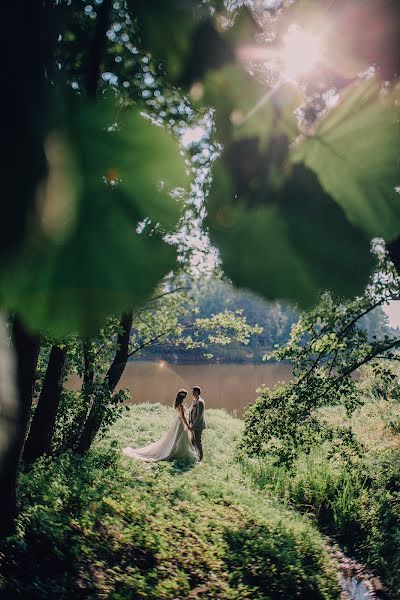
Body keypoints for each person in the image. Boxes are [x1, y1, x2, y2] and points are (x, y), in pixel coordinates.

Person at [122, 389, 198, 463]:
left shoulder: (177, 403)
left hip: (177, 421)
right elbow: (183, 417)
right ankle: (176, 452)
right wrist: (188, 426)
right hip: (180, 422)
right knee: (179, 437)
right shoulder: (181, 405)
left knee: (175, 437)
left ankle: (175, 450)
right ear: (184, 397)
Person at [188, 386, 206, 461]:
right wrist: (189, 421)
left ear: (198, 392)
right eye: (192, 391)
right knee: (192, 440)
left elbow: (199, 416)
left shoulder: (200, 402)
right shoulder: (194, 400)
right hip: (193, 424)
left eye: (194, 391)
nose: (193, 393)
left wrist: (193, 426)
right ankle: (195, 455)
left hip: (198, 425)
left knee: (198, 441)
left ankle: (201, 457)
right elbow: (191, 411)